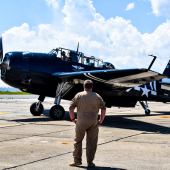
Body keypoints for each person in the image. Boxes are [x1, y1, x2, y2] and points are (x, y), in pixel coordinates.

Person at [69, 80, 106, 167]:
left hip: (81, 122)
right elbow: (103, 108)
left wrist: (73, 119)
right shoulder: (97, 96)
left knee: (78, 141)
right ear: (92, 87)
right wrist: (101, 120)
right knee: (92, 142)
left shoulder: (79, 95)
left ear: (84, 87)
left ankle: (77, 161)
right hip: (93, 122)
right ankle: (90, 162)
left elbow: (71, 108)